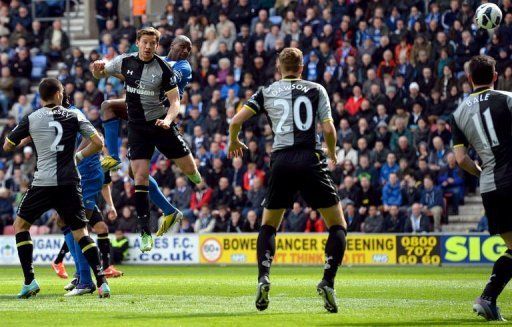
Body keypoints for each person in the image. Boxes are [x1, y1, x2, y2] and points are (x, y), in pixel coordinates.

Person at [228, 48, 347, 313]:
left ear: (279, 68)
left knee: (268, 225)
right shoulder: (316, 89)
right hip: (310, 159)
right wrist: (333, 152)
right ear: (302, 67)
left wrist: (233, 140)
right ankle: (328, 280)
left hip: (280, 161)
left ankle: (264, 277)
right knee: (337, 224)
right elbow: (328, 128)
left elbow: (236, 120)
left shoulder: (266, 90)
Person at [2, 78, 110, 298]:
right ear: (60, 94)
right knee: (81, 232)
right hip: (70, 182)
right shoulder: (75, 115)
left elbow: (8, 145)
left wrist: (28, 137)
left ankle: (30, 281)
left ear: (41, 97)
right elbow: (98, 142)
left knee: (20, 225)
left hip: (43, 183)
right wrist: (78, 156)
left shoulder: (32, 118)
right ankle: (102, 282)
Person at [91, 28, 196, 252]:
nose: (185, 50)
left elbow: (152, 84)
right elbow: (123, 69)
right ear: (171, 46)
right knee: (135, 174)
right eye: (181, 46)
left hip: (160, 116)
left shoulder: (181, 67)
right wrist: (102, 67)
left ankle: (172, 206)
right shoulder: (153, 58)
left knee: (187, 169)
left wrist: (125, 73)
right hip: (139, 115)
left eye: (188, 48)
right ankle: (112, 158)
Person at [450, 55, 512, 321]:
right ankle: (487, 297)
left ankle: (487, 298)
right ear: (495, 76)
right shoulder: (507, 99)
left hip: (490, 186)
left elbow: (461, 159)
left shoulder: (459, 112)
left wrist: (481, 173)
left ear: (469, 79)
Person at [50, 94, 123, 296]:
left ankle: (85, 280)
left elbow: (92, 137)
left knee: (76, 225)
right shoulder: (63, 115)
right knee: (63, 222)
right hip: (79, 176)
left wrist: (76, 157)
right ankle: (81, 275)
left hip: (87, 175)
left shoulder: (72, 113)